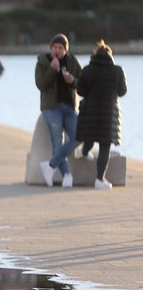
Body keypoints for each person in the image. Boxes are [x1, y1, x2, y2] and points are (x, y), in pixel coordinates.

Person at [76, 39, 127, 190]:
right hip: (109, 112)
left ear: (95, 55)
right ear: (110, 55)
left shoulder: (87, 70)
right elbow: (122, 91)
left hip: (90, 110)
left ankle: (84, 152)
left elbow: (80, 91)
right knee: (105, 146)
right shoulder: (117, 70)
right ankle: (99, 180)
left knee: (89, 138)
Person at [36, 33, 82, 188]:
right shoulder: (43, 62)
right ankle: (66, 175)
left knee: (79, 136)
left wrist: (73, 81)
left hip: (69, 106)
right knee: (57, 140)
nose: (57, 50)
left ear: (65, 49)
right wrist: (51, 69)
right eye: (54, 47)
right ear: (50, 48)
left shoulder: (73, 62)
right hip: (51, 107)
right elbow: (41, 85)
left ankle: (50, 165)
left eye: (60, 47)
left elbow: (82, 83)